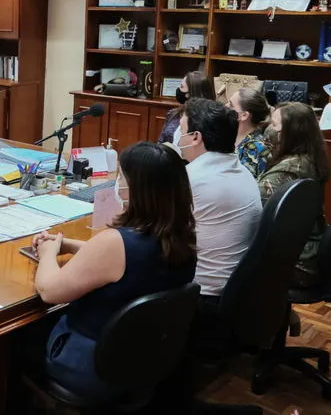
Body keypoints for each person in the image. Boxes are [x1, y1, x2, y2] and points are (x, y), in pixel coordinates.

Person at [32, 141, 196, 400]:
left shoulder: (114, 243)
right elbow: (130, 263)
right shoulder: (180, 237)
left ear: (138, 190)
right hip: (145, 359)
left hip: (94, 365)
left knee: (22, 334)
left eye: (122, 176)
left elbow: (48, 291)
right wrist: (71, 245)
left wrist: (48, 253)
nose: (117, 182)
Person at [176, 98, 262, 332]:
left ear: (196, 137)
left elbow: (151, 233)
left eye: (182, 131)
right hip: (236, 292)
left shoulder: (192, 179)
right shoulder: (241, 170)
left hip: (203, 300)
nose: (178, 138)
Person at [258, 102, 330, 288]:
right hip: (307, 253)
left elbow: (254, 210)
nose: (268, 129)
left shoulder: (288, 170)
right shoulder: (309, 158)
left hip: (296, 264)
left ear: (291, 134)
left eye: (274, 125)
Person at [159, 71, 215, 144]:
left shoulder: (207, 121)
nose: (178, 89)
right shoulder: (173, 113)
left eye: (182, 87)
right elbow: (161, 140)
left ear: (191, 93)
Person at [227, 88, 272, 177]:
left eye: (231, 105)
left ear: (244, 115)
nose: (225, 105)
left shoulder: (255, 148)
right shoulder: (229, 134)